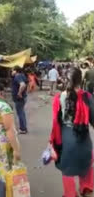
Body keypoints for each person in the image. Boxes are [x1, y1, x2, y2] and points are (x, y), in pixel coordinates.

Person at [50, 67, 94, 197]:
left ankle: (70, 193)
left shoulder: (58, 97)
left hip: (66, 137)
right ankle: (86, 188)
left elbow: (55, 121)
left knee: (67, 167)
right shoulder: (87, 96)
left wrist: (51, 141)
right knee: (86, 163)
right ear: (80, 80)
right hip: (83, 137)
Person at [12, 66, 28, 134]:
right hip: (23, 97)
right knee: (22, 112)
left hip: (19, 98)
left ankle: (22, 129)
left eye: (12, 70)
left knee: (20, 113)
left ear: (16, 71)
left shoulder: (18, 76)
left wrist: (19, 93)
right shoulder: (22, 75)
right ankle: (24, 127)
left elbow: (23, 85)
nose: (12, 72)